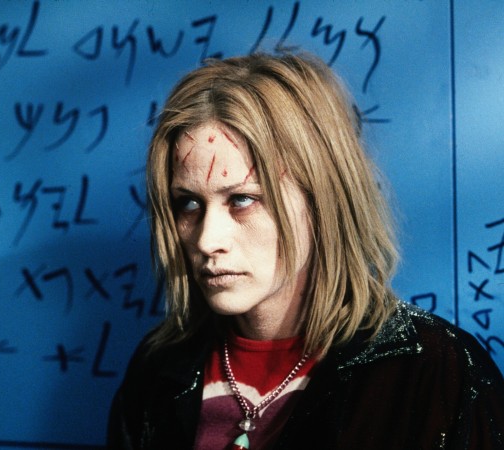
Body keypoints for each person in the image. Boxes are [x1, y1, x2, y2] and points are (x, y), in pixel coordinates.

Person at [107, 52, 504, 449]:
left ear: (320, 200)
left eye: (242, 199)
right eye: (189, 204)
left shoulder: (433, 372)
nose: (207, 240)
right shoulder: (157, 372)